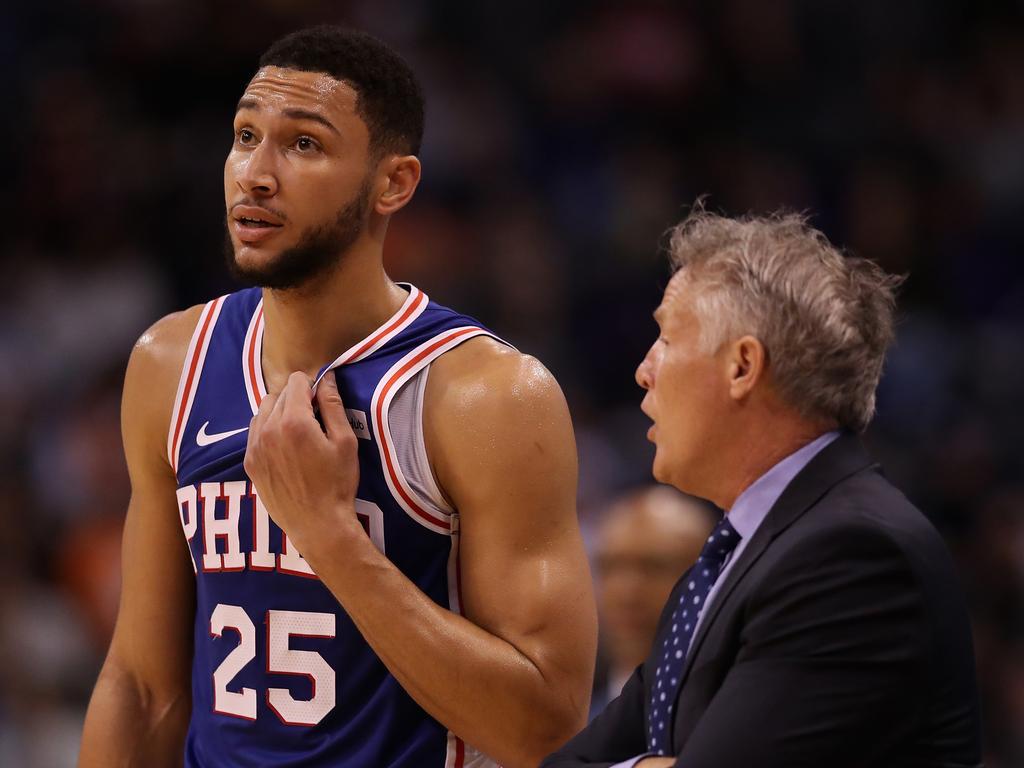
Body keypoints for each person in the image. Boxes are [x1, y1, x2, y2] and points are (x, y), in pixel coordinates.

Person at [78, 26, 596, 768]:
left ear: (394, 183)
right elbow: (141, 685)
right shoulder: (171, 362)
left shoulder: (486, 397)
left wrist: (330, 541)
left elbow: (543, 725)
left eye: (303, 146)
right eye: (246, 135)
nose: (254, 174)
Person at [543, 208, 982, 767]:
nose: (643, 370)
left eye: (667, 338)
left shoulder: (853, 557)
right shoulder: (733, 556)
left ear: (742, 366)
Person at [590, 487, 714, 717]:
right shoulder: (569, 725)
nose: (626, 593)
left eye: (654, 567)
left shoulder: (731, 714)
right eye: (609, 567)